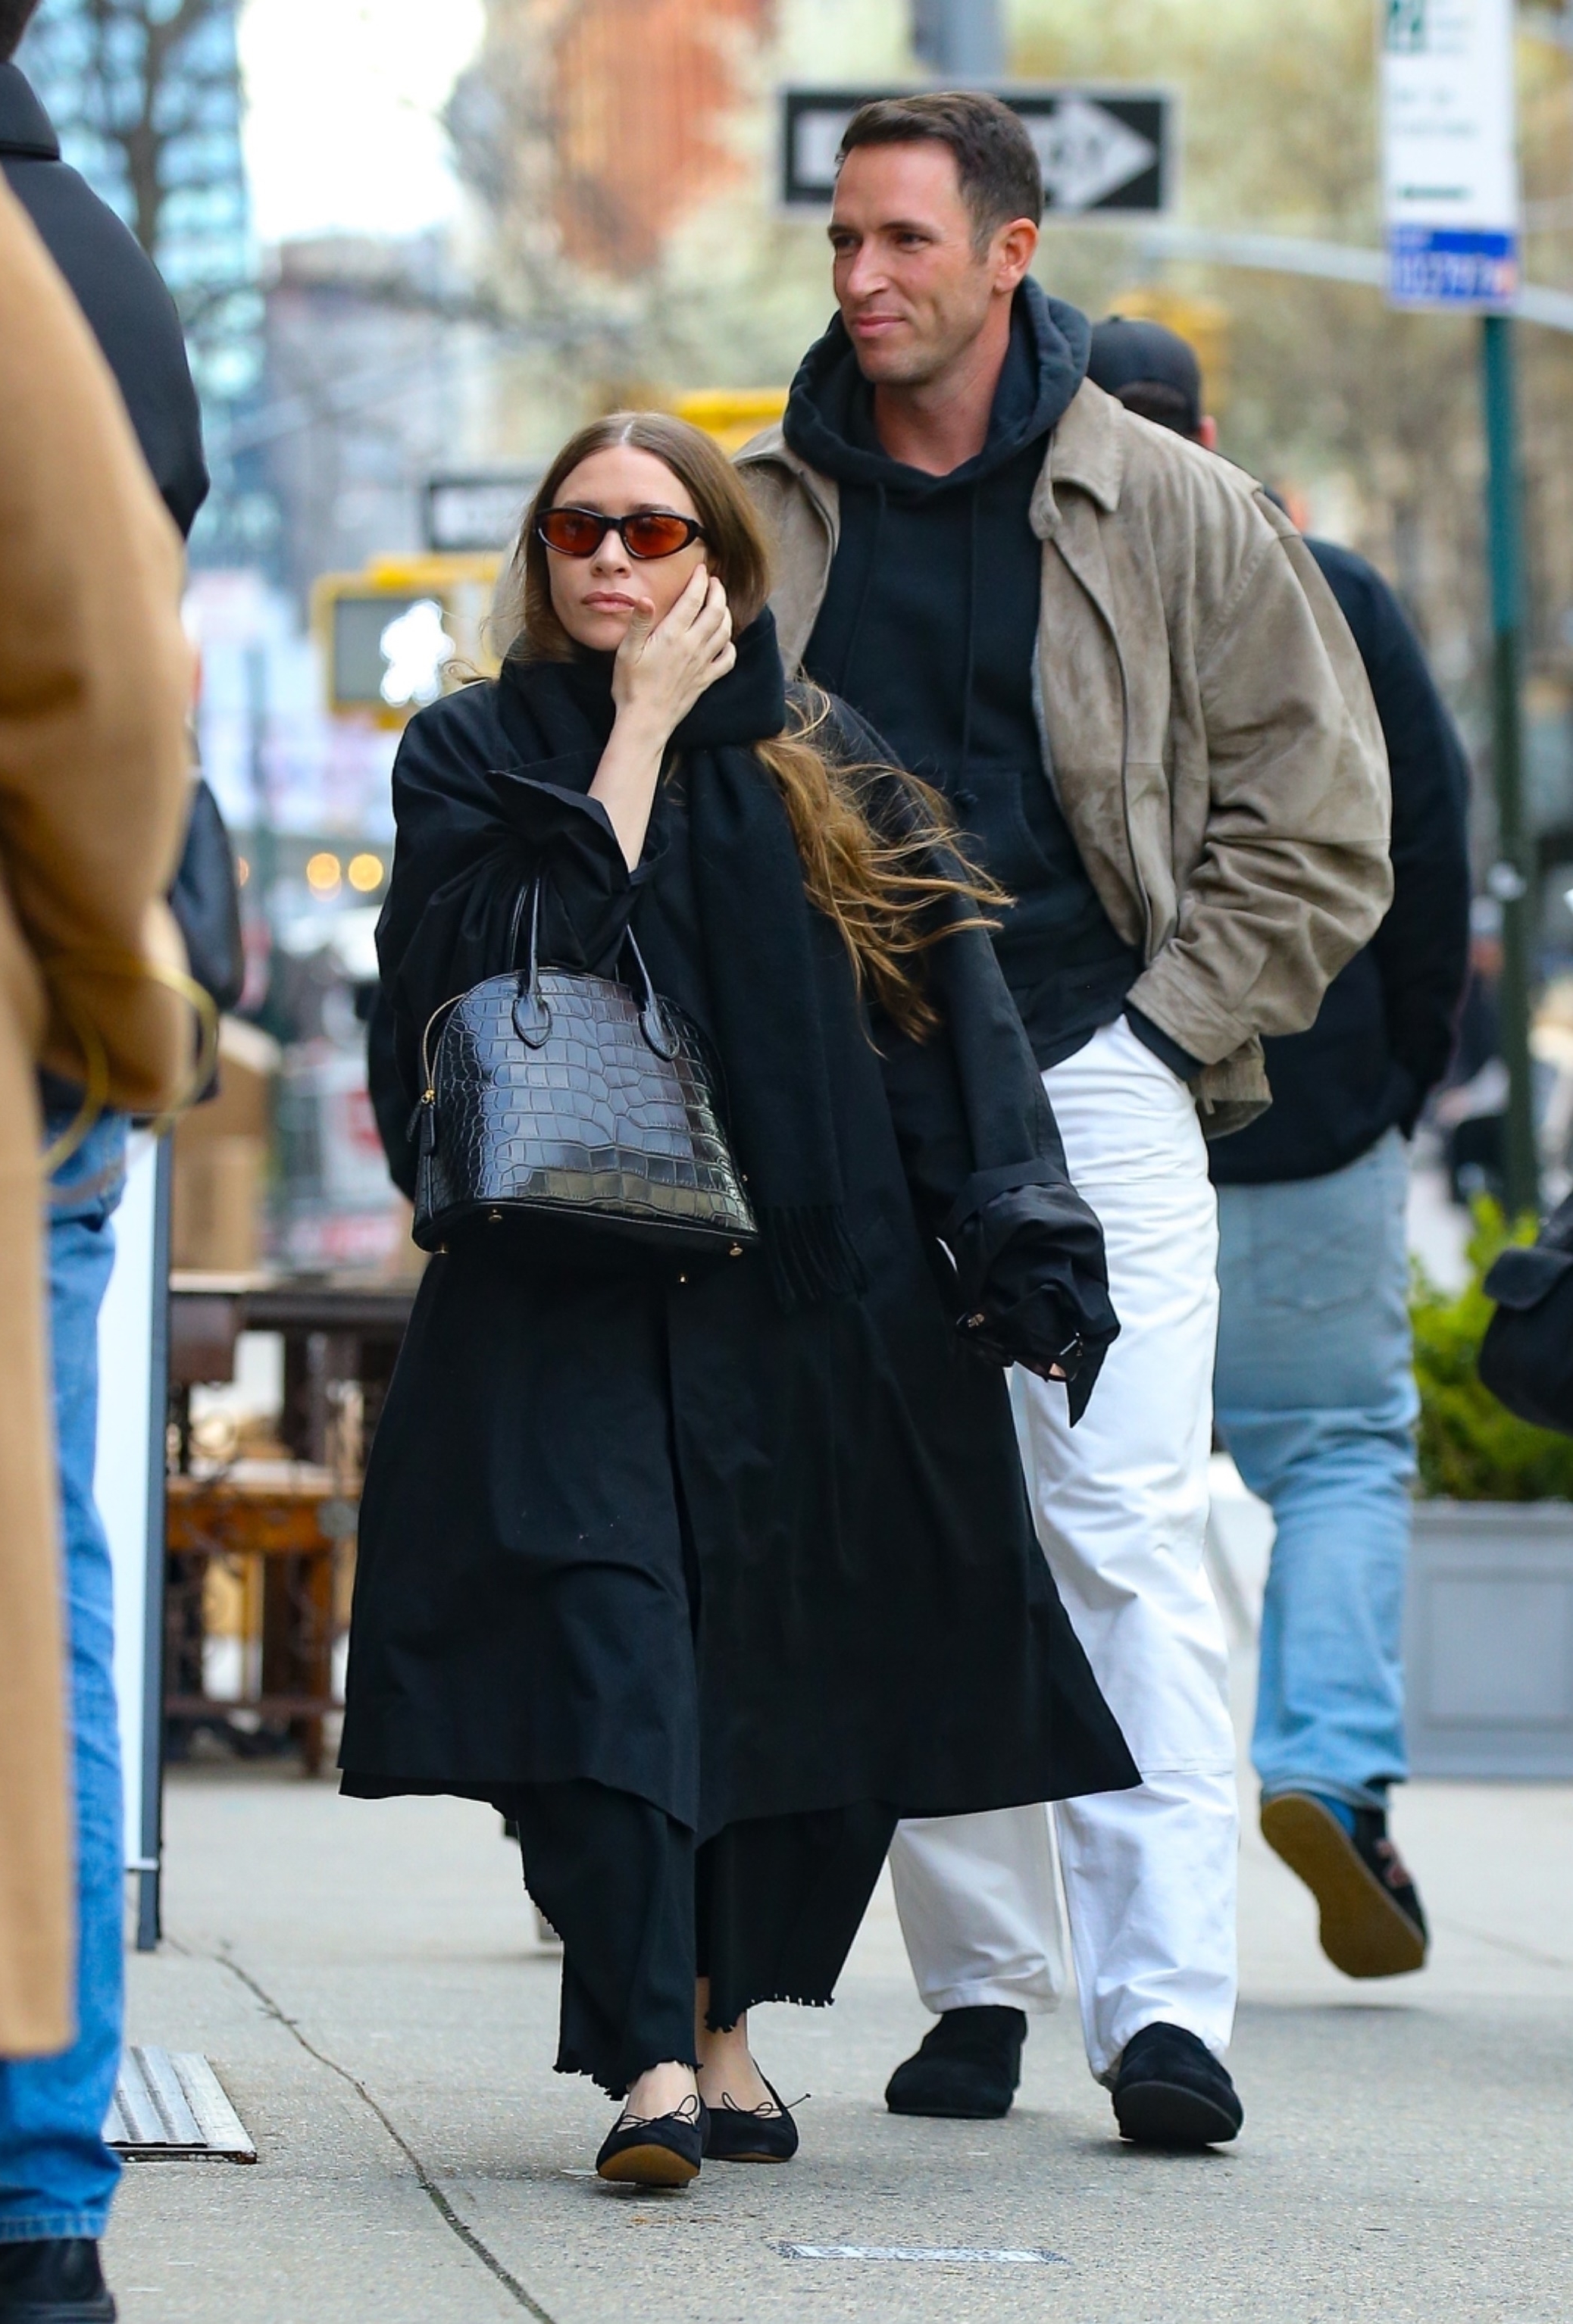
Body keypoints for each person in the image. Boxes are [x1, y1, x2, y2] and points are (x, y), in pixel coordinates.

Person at [340, 409, 1140, 2189]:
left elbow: (950, 1026)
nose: (614, 561)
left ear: (719, 556)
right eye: (579, 531)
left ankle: (723, 2027)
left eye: (654, 531)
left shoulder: (826, 758)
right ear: (539, 558)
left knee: (799, 1676)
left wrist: (1018, 1234)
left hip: (811, 1301)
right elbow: (483, 982)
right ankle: (642, 2055)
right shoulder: (472, 749)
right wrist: (627, 741)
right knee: (605, 1650)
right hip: (565, 1295)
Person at [734, 92, 1391, 2146]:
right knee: (923, 1528)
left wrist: (1158, 1039)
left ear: (1006, 252)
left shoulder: (1166, 503)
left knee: (1119, 1526)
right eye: (841, 239)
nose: (859, 278)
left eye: (902, 242)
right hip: (849, 1094)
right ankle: (982, 1988)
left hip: (1087, 1062)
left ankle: (1160, 2007)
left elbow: (1318, 817)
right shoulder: (760, 507)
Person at [1087, 314, 1471, 1979]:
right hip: (1309, 1111)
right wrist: (1396, 1083)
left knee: (1116, 1488)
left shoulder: (1056, 594)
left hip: (1105, 1108)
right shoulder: (1342, 598)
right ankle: (1325, 1764)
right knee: (1332, 1451)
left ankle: (1110, 1814)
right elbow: (1427, 856)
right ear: (1216, 428)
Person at [0, 27, 191, 2324]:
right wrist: (120, 1003)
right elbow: (96, 667)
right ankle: (22, 2190)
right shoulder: (52, 253)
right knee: (18, 1572)